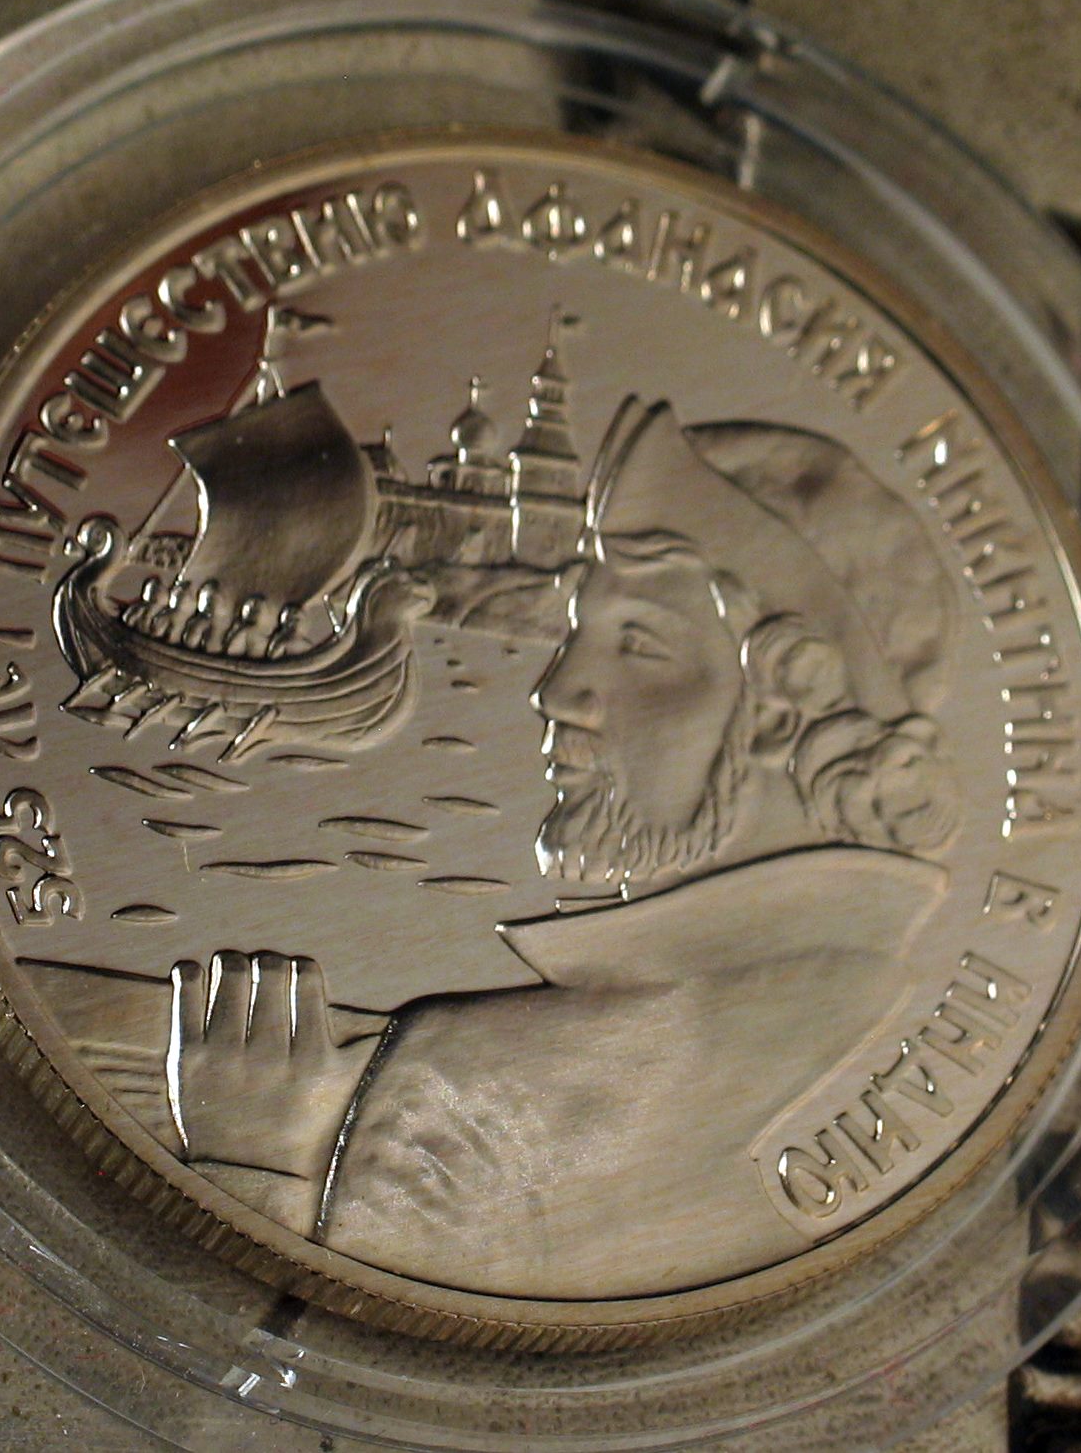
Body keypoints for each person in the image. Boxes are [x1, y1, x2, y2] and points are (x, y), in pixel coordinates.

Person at [172, 396, 962, 1299]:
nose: (557, 691)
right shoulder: (876, 1005)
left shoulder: (473, 1083)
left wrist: (249, 1172)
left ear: (782, 710)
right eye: (576, 635)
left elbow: (305, 1367)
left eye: (638, 644)